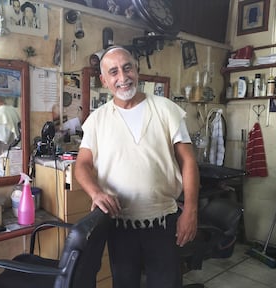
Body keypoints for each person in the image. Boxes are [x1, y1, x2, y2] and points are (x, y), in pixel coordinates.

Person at [74, 46, 199, 288]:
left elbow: (188, 161)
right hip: (120, 225)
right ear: (104, 80)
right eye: (113, 71)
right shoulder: (97, 120)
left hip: (164, 222)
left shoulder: (166, 109)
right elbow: (82, 165)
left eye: (127, 67)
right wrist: (95, 193)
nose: (122, 77)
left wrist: (191, 210)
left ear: (137, 70)